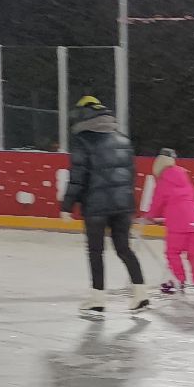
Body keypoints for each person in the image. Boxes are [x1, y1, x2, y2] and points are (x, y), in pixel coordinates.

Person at [60, 95, 148, 315]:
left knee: (95, 251)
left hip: (96, 206)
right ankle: (141, 294)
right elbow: (130, 175)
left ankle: (98, 298)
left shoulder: (83, 141)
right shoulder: (123, 140)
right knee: (124, 249)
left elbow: (78, 176)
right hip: (122, 205)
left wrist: (67, 205)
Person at [147, 149, 194, 294]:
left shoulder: (163, 180)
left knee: (172, 253)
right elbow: (190, 197)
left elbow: (157, 202)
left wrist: (150, 216)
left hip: (177, 224)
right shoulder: (184, 177)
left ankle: (178, 280)